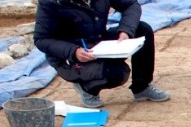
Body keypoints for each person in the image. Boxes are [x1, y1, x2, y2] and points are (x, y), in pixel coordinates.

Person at [34, 0, 169, 109]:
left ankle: (142, 87)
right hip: (70, 56)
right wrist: (73, 51)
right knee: (117, 73)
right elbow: (41, 39)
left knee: (142, 29)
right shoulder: (51, 3)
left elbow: (131, 4)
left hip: (98, 42)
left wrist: (125, 31)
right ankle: (87, 88)